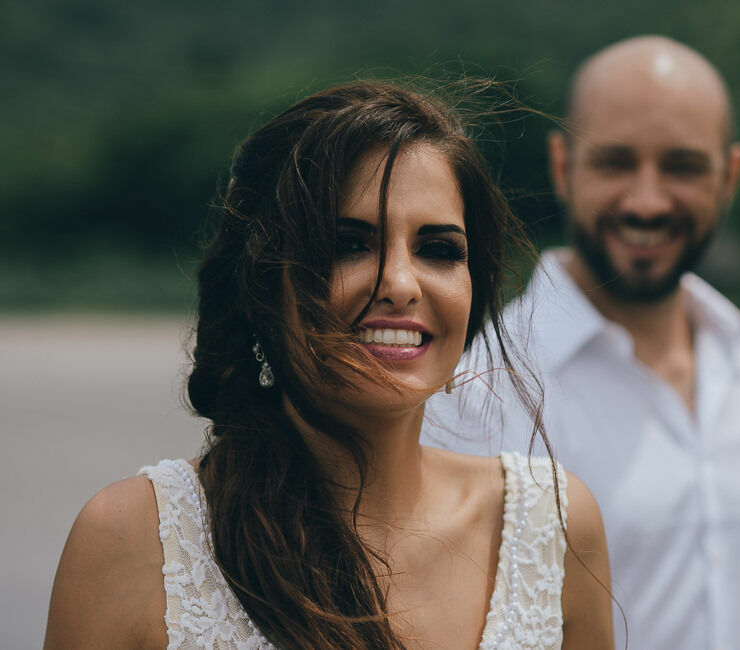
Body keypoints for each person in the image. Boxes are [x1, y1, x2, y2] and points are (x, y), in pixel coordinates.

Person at [44, 82, 614, 649]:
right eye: (348, 244)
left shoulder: (551, 525)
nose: (400, 284)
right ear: (263, 283)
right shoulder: (136, 539)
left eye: (438, 249)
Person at [423, 37, 740, 649]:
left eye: (683, 166)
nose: (647, 201)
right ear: (562, 167)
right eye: (615, 163)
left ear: (729, 176)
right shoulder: (478, 394)